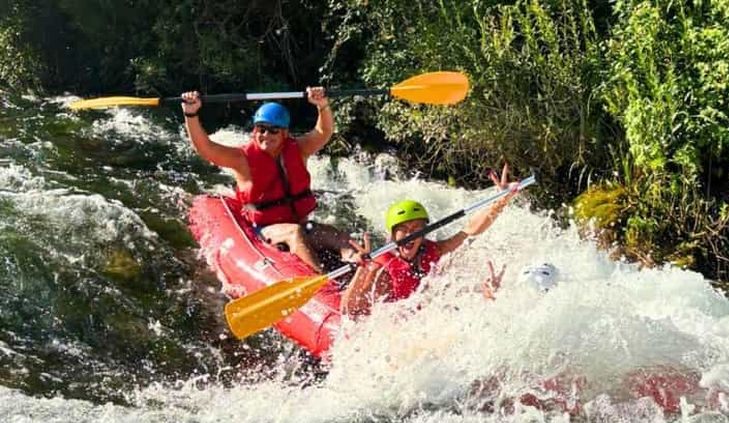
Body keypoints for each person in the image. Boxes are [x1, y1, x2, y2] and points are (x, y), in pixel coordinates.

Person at [181, 88, 355, 272]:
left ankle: (358, 260)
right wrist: (190, 114)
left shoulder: (299, 149)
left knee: (331, 234)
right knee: (294, 233)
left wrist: (322, 105)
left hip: (301, 224)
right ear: (254, 130)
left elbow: (324, 131)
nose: (266, 135)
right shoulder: (242, 158)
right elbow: (205, 148)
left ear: (285, 133)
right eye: (261, 129)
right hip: (265, 230)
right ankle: (322, 281)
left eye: (273, 130)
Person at [342, 164, 518, 317]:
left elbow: (469, 231)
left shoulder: (433, 251)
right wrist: (361, 270)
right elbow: (348, 310)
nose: (410, 233)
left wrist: (500, 202)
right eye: (403, 229)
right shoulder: (381, 267)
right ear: (393, 234)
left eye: (416, 229)